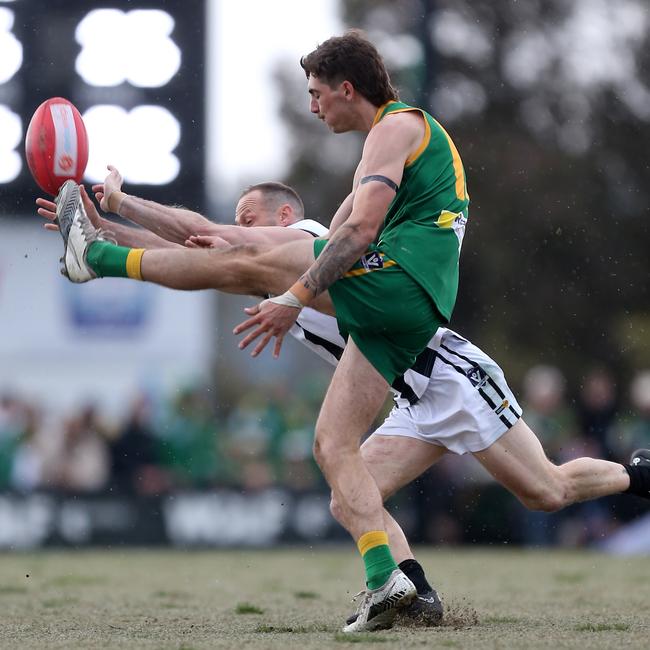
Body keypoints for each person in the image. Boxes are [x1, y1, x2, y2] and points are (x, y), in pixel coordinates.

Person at [44, 31, 650, 631]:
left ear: (347, 88)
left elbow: (223, 239)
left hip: (445, 368)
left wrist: (121, 226)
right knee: (348, 489)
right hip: (400, 375)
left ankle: (637, 475)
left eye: (317, 93)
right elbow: (204, 247)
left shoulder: (325, 220)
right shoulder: (324, 221)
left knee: (545, 491)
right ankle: (408, 590)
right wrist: (107, 222)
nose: (313, 105)